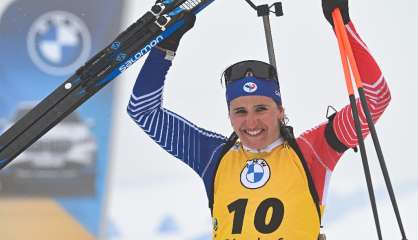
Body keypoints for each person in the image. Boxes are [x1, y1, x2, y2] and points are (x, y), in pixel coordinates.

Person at [127, 0, 391, 239]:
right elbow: (142, 110)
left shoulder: (312, 151)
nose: (251, 123)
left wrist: (342, 25)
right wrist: (165, 47)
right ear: (229, 115)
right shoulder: (213, 156)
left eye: (261, 108)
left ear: (280, 109)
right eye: (240, 111)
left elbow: (376, 98)